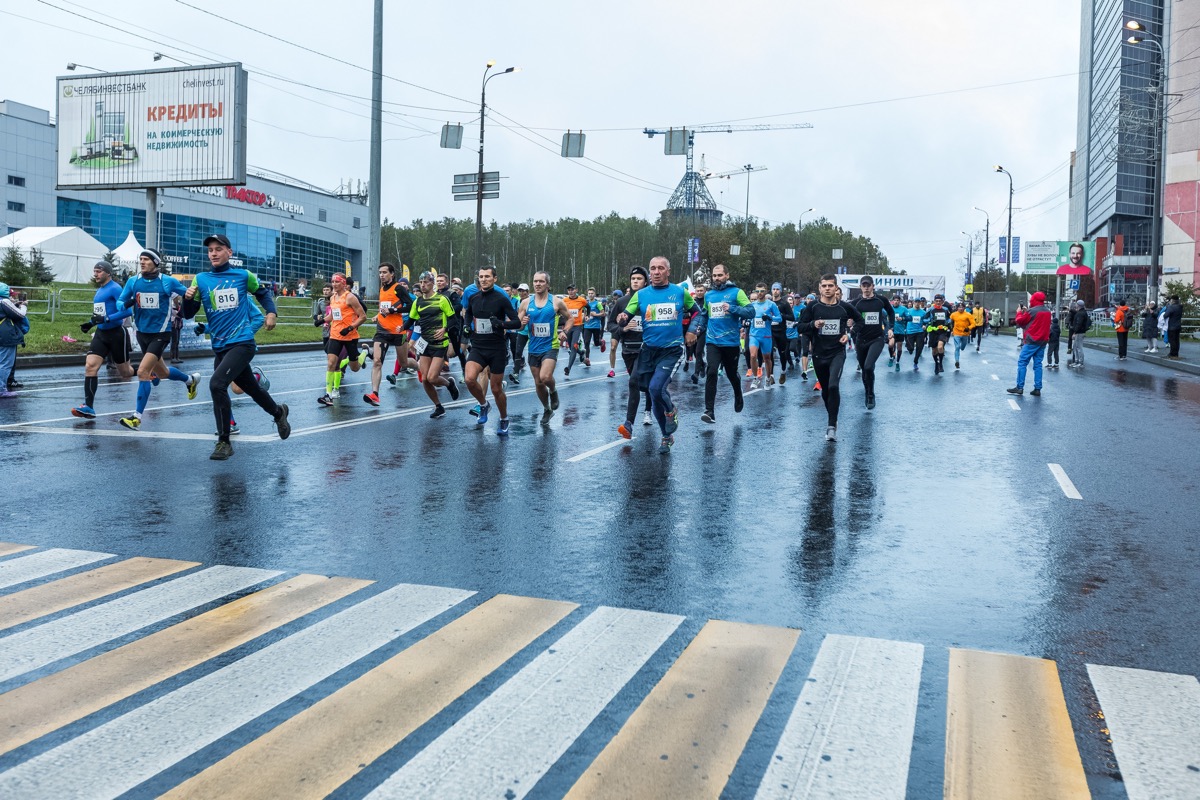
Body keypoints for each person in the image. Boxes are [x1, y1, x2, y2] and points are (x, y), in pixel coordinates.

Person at [182, 234, 290, 460]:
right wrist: (188, 298)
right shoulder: (200, 279)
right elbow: (188, 313)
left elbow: (263, 293)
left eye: (218, 249)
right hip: (220, 346)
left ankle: (224, 441)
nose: (213, 253)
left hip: (242, 343)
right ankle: (278, 412)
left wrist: (271, 313)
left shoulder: (243, 276)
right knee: (251, 389)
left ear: (229, 252)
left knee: (217, 384)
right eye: (210, 249)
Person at [114, 248, 202, 430]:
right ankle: (190, 381)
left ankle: (136, 417)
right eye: (141, 259)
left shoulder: (167, 282)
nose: (142, 262)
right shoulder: (133, 281)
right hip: (142, 333)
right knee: (162, 373)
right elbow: (120, 301)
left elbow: (187, 294)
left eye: (146, 259)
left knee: (142, 372)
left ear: (155, 262)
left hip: (161, 334)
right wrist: (124, 304)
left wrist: (191, 292)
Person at [617, 256, 696, 453]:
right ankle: (666, 436)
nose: (656, 272)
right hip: (649, 350)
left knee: (656, 388)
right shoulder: (642, 294)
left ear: (668, 271)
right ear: (649, 272)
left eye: (661, 268)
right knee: (651, 390)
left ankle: (671, 410)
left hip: (672, 350)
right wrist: (622, 318)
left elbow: (697, 312)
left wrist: (693, 330)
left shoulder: (679, 292)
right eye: (653, 268)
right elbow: (626, 314)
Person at [797, 274, 863, 441]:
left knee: (833, 386)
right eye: (824, 286)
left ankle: (831, 425)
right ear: (820, 288)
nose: (827, 288)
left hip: (837, 353)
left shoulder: (844, 307)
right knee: (826, 390)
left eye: (830, 286)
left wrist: (849, 334)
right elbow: (800, 327)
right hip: (819, 354)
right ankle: (832, 417)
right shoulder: (812, 307)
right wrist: (813, 324)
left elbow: (860, 321)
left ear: (836, 288)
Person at [689, 263, 754, 425]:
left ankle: (738, 394)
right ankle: (709, 411)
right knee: (711, 371)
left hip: (730, 342)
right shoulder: (709, 295)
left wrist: (732, 308)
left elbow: (751, 311)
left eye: (720, 275)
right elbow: (704, 315)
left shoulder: (736, 292)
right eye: (714, 275)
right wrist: (699, 328)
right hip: (713, 341)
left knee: (732, 374)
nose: (717, 278)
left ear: (727, 276)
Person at [463, 265, 523, 435]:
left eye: (487, 276)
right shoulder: (474, 297)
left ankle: (504, 419)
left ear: (494, 279)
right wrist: (467, 326)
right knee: (469, 379)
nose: (483, 279)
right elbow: (468, 313)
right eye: (481, 276)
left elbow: (517, 323)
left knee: (496, 389)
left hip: (496, 348)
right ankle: (484, 405)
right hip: (479, 346)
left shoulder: (501, 298)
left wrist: (501, 324)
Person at [71, 261, 136, 419]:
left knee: (125, 372)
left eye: (99, 271)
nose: (95, 274)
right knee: (90, 366)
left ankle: (148, 371)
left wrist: (107, 318)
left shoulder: (115, 288)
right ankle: (89, 407)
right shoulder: (99, 290)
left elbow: (127, 312)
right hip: (101, 334)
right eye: (94, 271)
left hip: (116, 334)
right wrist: (91, 323)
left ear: (108, 273)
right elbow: (100, 313)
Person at [517, 271, 572, 422]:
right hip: (533, 347)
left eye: (541, 281)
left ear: (547, 284)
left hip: (550, 346)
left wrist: (565, 332)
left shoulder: (556, 302)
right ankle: (547, 410)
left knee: (545, 377)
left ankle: (553, 391)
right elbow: (518, 326)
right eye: (535, 281)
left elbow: (570, 319)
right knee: (539, 383)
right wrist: (521, 324)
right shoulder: (526, 303)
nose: (537, 284)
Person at [407, 271, 460, 417]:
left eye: (426, 282)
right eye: (421, 282)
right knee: (424, 379)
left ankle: (449, 384)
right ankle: (438, 406)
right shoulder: (418, 302)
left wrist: (444, 329)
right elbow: (411, 320)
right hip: (425, 343)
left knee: (432, 377)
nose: (423, 285)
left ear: (432, 284)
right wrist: (402, 328)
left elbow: (453, 320)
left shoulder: (442, 299)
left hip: (440, 343)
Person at [364, 263, 411, 406]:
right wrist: (378, 316)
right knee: (377, 362)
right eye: (380, 272)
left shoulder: (398, 288)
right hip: (382, 331)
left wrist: (393, 311)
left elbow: (410, 305)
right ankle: (375, 394)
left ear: (392, 274)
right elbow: (383, 308)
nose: (381, 275)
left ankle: (421, 368)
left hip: (398, 331)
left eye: (384, 272)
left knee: (404, 363)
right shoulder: (381, 289)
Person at [318, 274, 368, 405]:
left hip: (349, 336)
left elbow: (363, 317)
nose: (334, 284)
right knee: (331, 363)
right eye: (332, 281)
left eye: (337, 282)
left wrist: (350, 328)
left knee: (355, 367)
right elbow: (332, 315)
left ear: (343, 283)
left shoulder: (350, 297)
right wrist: (322, 320)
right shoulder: (333, 297)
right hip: (335, 335)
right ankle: (328, 395)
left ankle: (364, 353)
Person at [849, 276, 895, 408]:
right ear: (860, 287)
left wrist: (891, 328)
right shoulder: (856, 302)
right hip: (861, 339)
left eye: (868, 285)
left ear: (873, 286)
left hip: (877, 338)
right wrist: (849, 323)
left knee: (869, 366)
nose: (866, 288)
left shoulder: (881, 300)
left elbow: (891, 313)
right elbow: (846, 316)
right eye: (864, 285)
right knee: (865, 369)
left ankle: (871, 395)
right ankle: (867, 391)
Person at [1007, 291, 1051, 396]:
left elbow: (1020, 321)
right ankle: (1037, 388)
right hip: (1043, 341)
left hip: (1031, 341)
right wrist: (1027, 311)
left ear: (1034, 300)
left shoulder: (1032, 311)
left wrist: (1019, 312)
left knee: (1022, 362)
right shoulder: (1048, 311)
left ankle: (1019, 387)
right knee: (1038, 364)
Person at [748, 283, 782, 388]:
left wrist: (769, 318)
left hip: (766, 336)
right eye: (757, 291)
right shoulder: (752, 305)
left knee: (767, 358)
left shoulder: (771, 304)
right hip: (754, 335)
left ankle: (768, 378)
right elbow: (747, 317)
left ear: (766, 291)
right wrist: (745, 322)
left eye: (762, 291)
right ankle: (755, 378)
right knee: (753, 355)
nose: (759, 293)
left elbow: (779, 318)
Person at [0, 282, 27, 398]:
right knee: (5, 363)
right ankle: (1, 389)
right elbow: (19, 315)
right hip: (5, 335)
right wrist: (24, 305)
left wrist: (14, 304)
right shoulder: (3, 301)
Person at [561, 285, 589, 375]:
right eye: (569, 290)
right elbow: (560, 310)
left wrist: (587, 315)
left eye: (572, 290)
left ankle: (568, 368)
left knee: (573, 346)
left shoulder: (582, 300)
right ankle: (581, 353)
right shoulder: (564, 300)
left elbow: (588, 307)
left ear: (576, 290)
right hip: (568, 326)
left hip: (577, 326)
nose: (571, 292)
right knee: (571, 346)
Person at [508, 282, 531, 385]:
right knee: (518, 351)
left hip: (532, 331)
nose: (521, 293)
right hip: (522, 331)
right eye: (520, 291)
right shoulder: (518, 302)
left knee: (534, 354)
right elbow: (517, 316)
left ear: (528, 292)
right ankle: (516, 373)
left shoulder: (532, 301)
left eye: (524, 291)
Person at [949, 301, 975, 369]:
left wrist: (968, 328)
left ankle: (962, 347)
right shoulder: (953, 314)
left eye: (962, 307)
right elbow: (950, 322)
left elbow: (973, 324)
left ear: (964, 307)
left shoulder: (968, 315)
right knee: (957, 347)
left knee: (962, 347)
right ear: (957, 308)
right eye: (959, 307)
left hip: (965, 334)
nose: (960, 308)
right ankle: (957, 361)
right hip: (956, 333)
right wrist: (950, 329)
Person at [606, 288, 625, 378]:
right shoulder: (610, 305)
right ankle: (612, 369)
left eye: (618, 297)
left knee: (626, 350)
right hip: (615, 328)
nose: (616, 299)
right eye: (614, 297)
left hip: (625, 328)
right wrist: (608, 325)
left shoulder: (625, 304)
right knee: (613, 348)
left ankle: (629, 366)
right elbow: (610, 317)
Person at [905, 297, 927, 371]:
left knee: (919, 347)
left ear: (921, 303)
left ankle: (915, 362)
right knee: (910, 348)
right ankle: (910, 349)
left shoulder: (923, 312)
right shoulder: (908, 311)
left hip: (919, 332)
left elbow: (926, 321)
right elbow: (905, 319)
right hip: (910, 332)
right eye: (916, 302)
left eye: (919, 302)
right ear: (913, 302)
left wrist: (925, 325)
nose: (917, 303)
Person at [1067, 300, 1090, 368]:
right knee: (1075, 347)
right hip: (1079, 332)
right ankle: (1076, 361)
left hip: (1079, 332)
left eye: (1076, 304)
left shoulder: (1080, 314)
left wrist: (1075, 332)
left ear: (1078, 305)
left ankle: (1080, 362)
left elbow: (1078, 324)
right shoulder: (1082, 312)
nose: (1075, 305)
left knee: (1079, 347)